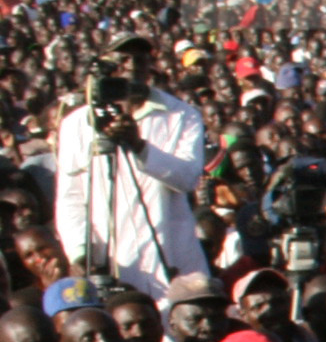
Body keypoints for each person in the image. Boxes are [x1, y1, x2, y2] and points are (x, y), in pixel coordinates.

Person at [52, 34, 210, 300]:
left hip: (172, 255)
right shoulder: (77, 123)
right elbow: (70, 197)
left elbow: (188, 178)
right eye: (123, 59)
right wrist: (80, 252)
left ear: (151, 65)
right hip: (111, 261)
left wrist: (139, 146)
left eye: (140, 59)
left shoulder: (182, 115)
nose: (132, 65)